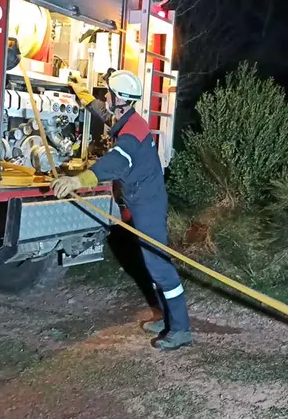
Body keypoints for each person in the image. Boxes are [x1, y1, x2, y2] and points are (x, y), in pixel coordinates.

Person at [51, 69, 192, 351]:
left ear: (120, 99)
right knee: (151, 264)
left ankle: (181, 329)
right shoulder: (129, 120)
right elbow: (106, 116)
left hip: (148, 204)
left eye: (109, 94)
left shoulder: (131, 136)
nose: (106, 97)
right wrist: (83, 94)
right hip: (143, 199)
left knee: (159, 266)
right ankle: (167, 318)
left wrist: (77, 180)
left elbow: (113, 164)